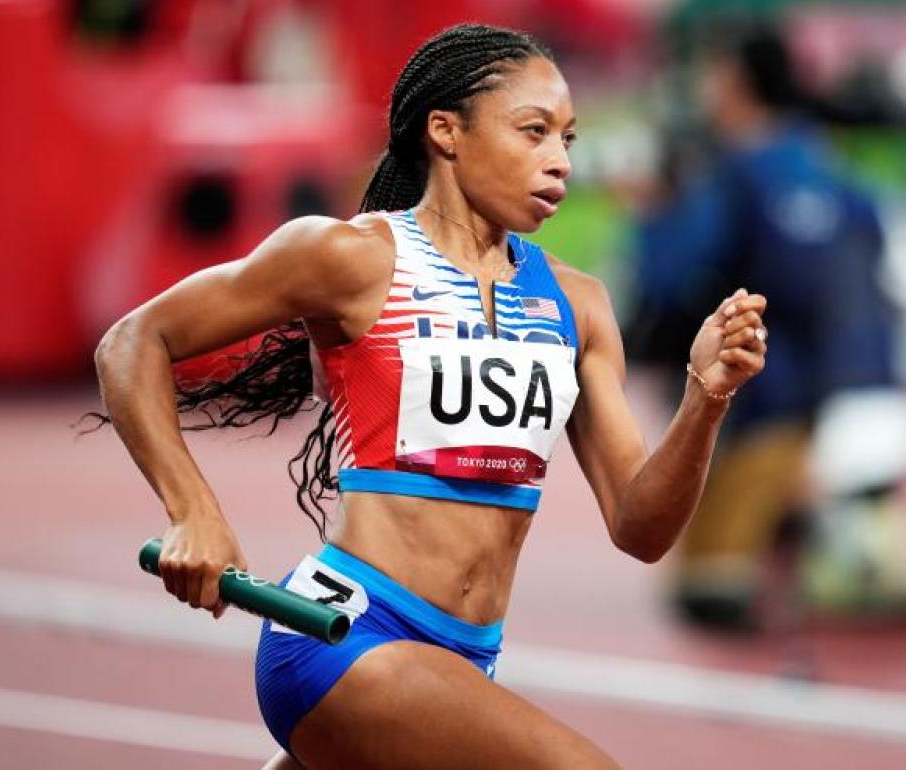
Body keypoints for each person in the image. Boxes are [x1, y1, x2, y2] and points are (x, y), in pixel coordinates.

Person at [91, 23, 768, 769]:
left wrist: (706, 397)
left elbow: (642, 529)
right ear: (446, 132)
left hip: (463, 659)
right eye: (533, 131)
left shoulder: (579, 304)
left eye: (568, 139)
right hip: (343, 634)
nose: (560, 161)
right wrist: (194, 512)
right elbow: (133, 342)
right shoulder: (352, 257)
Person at [625, 26, 906, 630]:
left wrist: (650, 216)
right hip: (889, 410)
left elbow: (670, 279)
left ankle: (817, 528)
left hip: (781, 411)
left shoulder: (733, 174)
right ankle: (858, 527)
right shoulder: (845, 175)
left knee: (703, 588)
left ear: (736, 84)